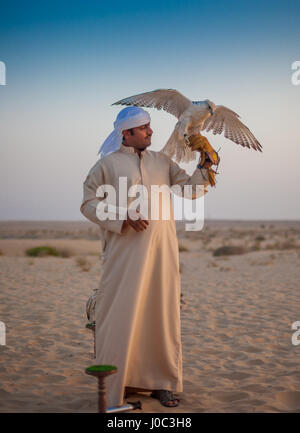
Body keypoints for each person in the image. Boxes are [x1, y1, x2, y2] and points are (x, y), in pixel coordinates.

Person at [80, 106, 214, 408]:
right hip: (123, 256)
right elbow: (88, 204)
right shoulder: (106, 165)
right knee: (121, 318)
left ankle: (161, 383)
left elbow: (190, 190)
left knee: (161, 316)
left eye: (150, 127)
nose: (151, 132)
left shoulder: (162, 162)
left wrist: (206, 165)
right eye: (144, 128)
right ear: (126, 134)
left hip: (163, 254)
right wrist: (122, 216)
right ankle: (120, 382)